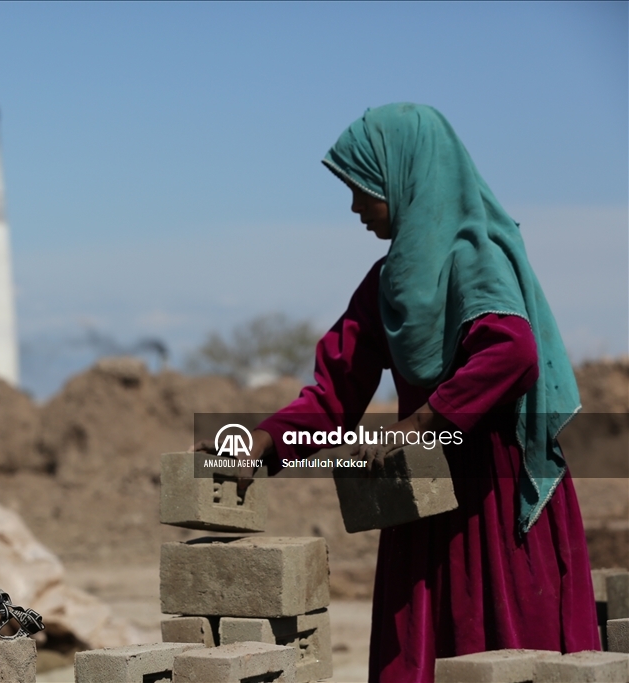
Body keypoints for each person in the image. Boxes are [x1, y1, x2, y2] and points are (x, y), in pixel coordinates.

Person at [225, 103, 599, 682]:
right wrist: (263, 443)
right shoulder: (385, 284)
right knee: (418, 653)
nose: (355, 208)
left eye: (363, 189)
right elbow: (334, 395)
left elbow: (514, 351)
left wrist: (427, 419)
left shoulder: (478, 262)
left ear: (406, 179)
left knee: (503, 648)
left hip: (494, 494)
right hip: (422, 491)